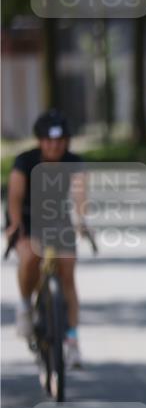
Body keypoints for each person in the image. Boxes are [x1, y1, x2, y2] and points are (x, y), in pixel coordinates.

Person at [5, 110, 88, 368]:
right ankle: (24, 306)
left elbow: (80, 194)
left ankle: (72, 340)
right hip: (27, 218)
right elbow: (15, 196)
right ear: (40, 141)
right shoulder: (25, 161)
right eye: (49, 140)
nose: (55, 146)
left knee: (67, 271)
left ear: (67, 141)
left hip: (57, 219)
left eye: (60, 140)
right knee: (30, 256)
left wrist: (81, 220)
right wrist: (15, 225)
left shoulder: (74, 162)